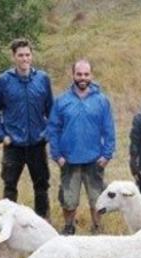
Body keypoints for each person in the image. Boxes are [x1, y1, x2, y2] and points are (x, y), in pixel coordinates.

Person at [47, 59, 116, 235]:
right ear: (73, 75)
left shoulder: (101, 101)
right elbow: (53, 129)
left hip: (95, 160)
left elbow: (109, 130)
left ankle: (98, 228)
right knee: (68, 200)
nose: (83, 78)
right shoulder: (62, 101)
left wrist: (106, 155)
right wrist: (57, 155)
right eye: (79, 74)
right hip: (69, 160)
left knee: (97, 199)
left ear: (91, 75)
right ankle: (69, 227)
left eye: (86, 74)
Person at [0, 38, 53, 219]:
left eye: (27, 55)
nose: (24, 59)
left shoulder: (42, 79)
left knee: (41, 186)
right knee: (9, 186)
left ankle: (43, 222)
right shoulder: (4, 81)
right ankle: (8, 223)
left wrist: (47, 133)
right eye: (20, 55)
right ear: (14, 57)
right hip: (13, 145)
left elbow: (51, 111)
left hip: (37, 144)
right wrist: (2, 136)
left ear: (32, 56)